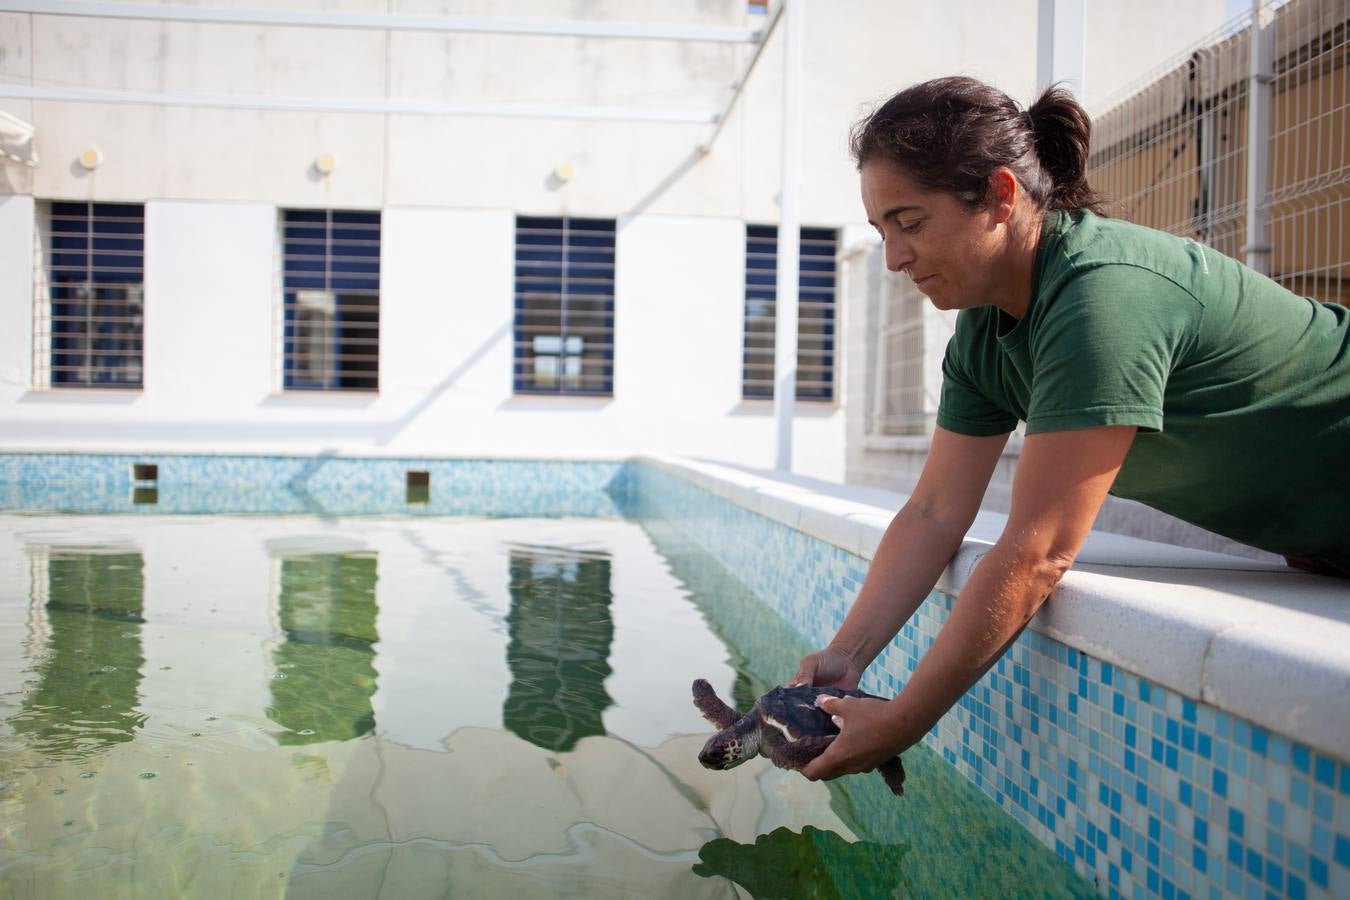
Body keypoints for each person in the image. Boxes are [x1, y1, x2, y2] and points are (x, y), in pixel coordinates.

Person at [791, 75, 1350, 787]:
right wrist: (848, 655)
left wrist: (905, 719)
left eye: (910, 222)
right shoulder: (984, 333)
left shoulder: (1100, 295)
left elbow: (1040, 554)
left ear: (1000, 194)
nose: (895, 258)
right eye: (881, 232)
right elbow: (934, 511)